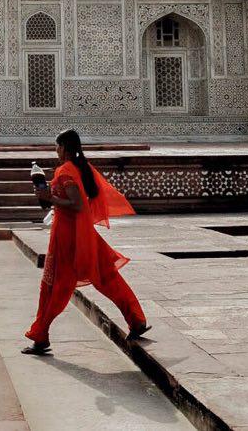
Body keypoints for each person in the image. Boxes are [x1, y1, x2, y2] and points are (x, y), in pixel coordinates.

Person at [23, 128, 149, 355]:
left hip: (68, 238)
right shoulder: (80, 168)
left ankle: (40, 335)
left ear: (63, 147)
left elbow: (77, 204)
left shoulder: (65, 171)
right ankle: (136, 319)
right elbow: (71, 202)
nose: (56, 151)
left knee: (54, 287)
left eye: (57, 146)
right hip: (84, 234)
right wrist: (48, 198)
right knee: (107, 278)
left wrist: (49, 197)